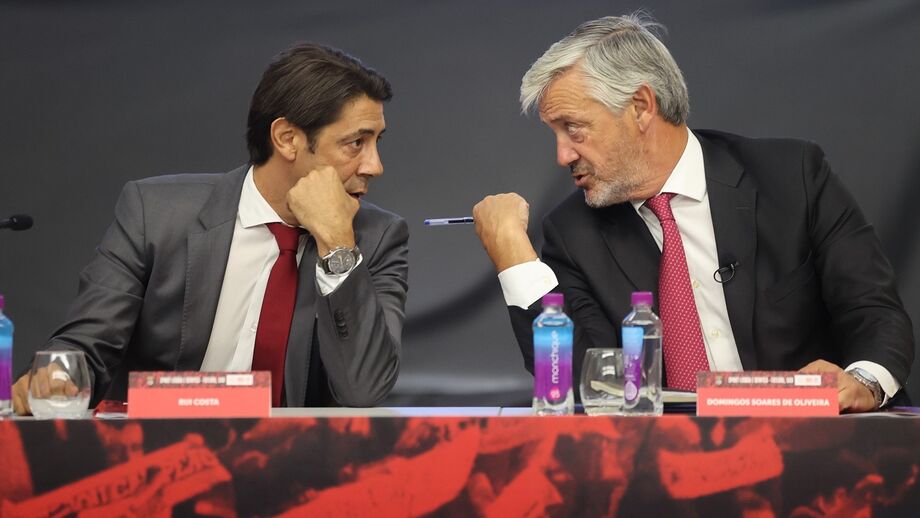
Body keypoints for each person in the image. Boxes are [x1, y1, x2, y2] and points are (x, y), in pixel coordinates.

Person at [472, 14, 913, 413]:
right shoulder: (573, 232)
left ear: (640, 107)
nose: (562, 155)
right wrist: (515, 258)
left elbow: (874, 310)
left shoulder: (791, 176)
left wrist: (863, 381)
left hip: (814, 446)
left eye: (574, 128)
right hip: (669, 460)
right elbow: (579, 387)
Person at [12, 43, 408, 413]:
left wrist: (337, 245)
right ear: (287, 139)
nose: (375, 166)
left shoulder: (376, 238)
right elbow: (86, 345)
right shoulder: (156, 214)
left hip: (296, 456)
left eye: (377, 142)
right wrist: (57, 377)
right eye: (356, 143)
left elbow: (364, 390)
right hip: (159, 448)